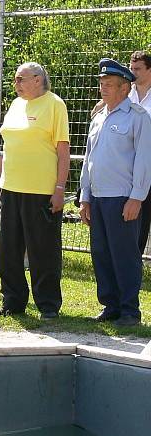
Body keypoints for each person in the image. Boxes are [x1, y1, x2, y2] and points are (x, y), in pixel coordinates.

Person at [0, 62, 70, 321]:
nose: (15, 84)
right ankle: (12, 300)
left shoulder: (55, 104)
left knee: (43, 249)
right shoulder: (15, 105)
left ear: (38, 80)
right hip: (11, 187)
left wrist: (59, 188)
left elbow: (63, 152)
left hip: (41, 190)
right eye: (15, 79)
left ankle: (48, 304)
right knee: (8, 249)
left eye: (19, 79)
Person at [79, 59, 151, 327]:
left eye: (109, 85)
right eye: (101, 84)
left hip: (122, 197)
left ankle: (130, 310)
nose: (103, 89)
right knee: (101, 253)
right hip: (97, 196)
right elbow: (89, 159)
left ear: (124, 88)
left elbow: (145, 159)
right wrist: (85, 196)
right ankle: (110, 305)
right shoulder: (98, 118)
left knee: (124, 254)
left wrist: (137, 197)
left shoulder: (138, 117)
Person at [128, 50, 151, 256]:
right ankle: (133, 259)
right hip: (132, 164)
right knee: (137, 216)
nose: (133, 72)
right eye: (131, 68)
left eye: (138, 69)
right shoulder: (126, 92)